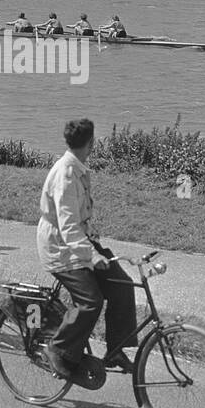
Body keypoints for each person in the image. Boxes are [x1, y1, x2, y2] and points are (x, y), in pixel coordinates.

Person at [38, 118, 138, 382]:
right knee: (90, 301)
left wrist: (93, 248)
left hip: (78, 241)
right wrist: (92, 256)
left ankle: (115, 351)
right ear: (92, 143)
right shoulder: (66, 175)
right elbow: (68, 227)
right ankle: (57, 348)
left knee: (122, 286)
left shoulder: (76, 167)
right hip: (60, 247)